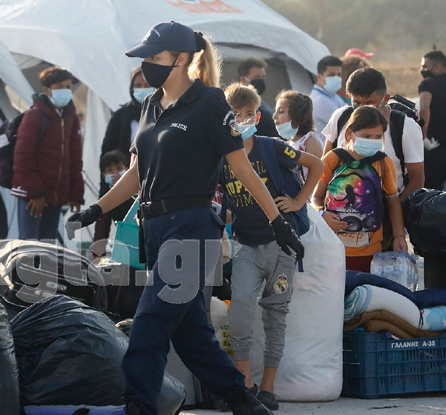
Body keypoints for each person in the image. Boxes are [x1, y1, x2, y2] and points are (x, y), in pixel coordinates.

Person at [66, 21, 304, 415]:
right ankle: (242, 401)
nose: (146, 66)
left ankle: (138, 407)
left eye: (154, 58)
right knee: (192, 334)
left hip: (192, 229)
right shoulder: (149, 105)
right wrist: (95, 210)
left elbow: (244, 169)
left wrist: (278, 223)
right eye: (145, 58)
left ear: (180, 59)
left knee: (149, 323)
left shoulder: (210, 103)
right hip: (155, 229)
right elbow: (138, 174)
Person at [221, 84, 324, 411]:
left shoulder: (270, 146)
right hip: (245, 246)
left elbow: (317, 166)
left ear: (258, 115)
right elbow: (221, 201)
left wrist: (298, 201)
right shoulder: (220, 156)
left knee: (276, 314)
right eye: (235, 115)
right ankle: (245, 383)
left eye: (248, 114)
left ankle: (268, 387)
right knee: (239, 309)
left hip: (282, 246)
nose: (242, 120)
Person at [313, 107, 408, 273]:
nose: (373, 140)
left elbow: (393, 201)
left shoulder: (385, 163)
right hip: (331, 248)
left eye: (378, 137)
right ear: (350, 134)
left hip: (370, 251)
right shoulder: (333, 158)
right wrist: (322, 214)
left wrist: (400, 236)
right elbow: (316, 197)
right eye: (366, 136)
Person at [322, 68, 425, 201]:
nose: (363, 110)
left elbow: (417, 180)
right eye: (357, 103)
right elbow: (324, 170)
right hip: (340, 213)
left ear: (386, 99)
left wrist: (394, 213)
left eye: (370, 104)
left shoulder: (405, 127)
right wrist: (325, 212)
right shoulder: (340, 118)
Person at [12, 66, 84, 242]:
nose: (66, 91)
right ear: (47, 90)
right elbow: (22, 158)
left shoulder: (71, 118)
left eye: (68, 87)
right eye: (60, 86)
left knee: (48, 247)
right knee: (30, 247)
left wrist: (76, 193)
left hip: (55, 196)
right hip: (33, 197)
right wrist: (35, 193)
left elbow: (74, 158)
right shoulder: (34, 115)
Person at [102, 66, 153, 156]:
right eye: (138, 85)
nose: (142, 89)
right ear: (131, 88)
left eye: (147, 85)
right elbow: (108, 152)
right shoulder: (120, 116)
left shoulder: (164, 113)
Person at [273, 90, 322, 181]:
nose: (274, 116)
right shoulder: (288, 144)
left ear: (297, 115)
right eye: (275, 111)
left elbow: (318, 178)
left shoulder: (310, 141)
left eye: (281, 111)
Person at [92, 150, 135, 256]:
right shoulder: (106, 197)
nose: (115, 173)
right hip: (126, 243)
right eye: (110, 170)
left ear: (127, 169)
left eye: (119, 168)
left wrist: (123, 189)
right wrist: (97, 255)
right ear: (103, 175)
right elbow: (102, 227)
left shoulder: (137, 189)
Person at [419, 50, 446, 190]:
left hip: (435, 145)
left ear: (437, 67)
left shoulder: (428, 84)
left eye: (424, 66)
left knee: (432, 191)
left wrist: (424, 138)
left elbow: (424, 108)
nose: (422, 70)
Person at [237, 58, 278, 138]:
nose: (261, 81)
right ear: (243, 79)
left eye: (262, 77)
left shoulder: (262, 104)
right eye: (257, 78)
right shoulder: (238, 105)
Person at [309, 55, 346, 136]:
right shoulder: (319, 100)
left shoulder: (333, 96)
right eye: (331, 75)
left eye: (339, 75)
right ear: (319, 76)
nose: (336, 78)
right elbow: (347, 124)